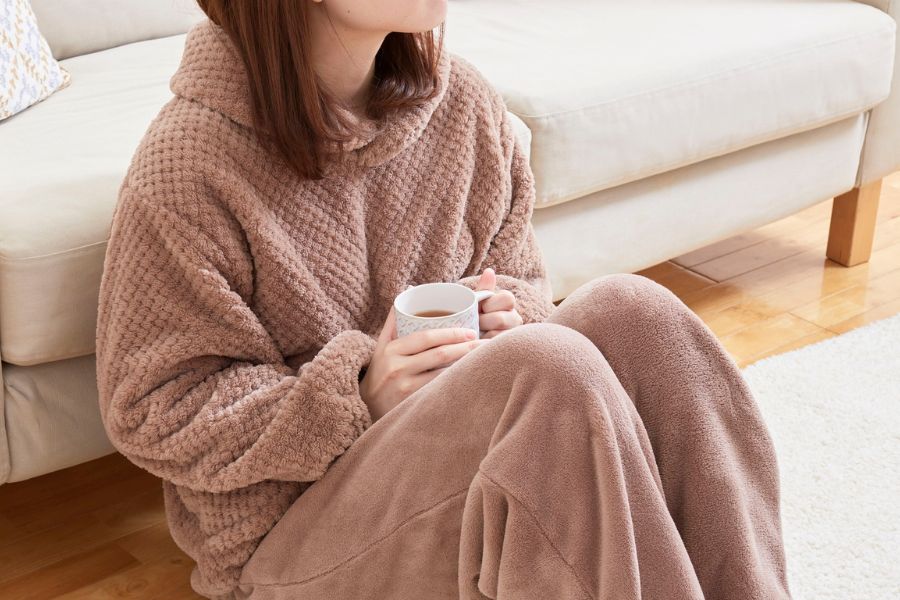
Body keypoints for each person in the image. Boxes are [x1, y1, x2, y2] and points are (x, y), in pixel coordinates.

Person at [94, 1, 792, 599]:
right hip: (286, 536)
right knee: (549, 368)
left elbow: (520, 274)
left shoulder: (461, 105)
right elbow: (155, 404)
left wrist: (510, 312)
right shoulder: (186, 167)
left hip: (444, 462)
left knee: (637, 314)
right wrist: (357, 393)